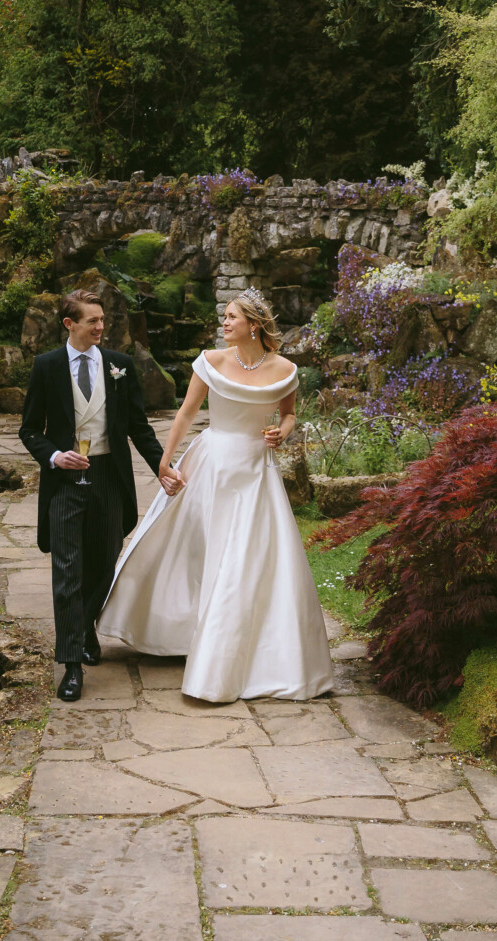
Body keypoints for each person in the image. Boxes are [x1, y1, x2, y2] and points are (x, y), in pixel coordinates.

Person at [98, 289, 334, 702]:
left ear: (253, 325)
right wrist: (165, 463)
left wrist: (284, 431)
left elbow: (290, 413)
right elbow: (187, 412)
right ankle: (181, 629)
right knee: (194, 551)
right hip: (211, 465)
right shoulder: (210, 361)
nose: (223, 324)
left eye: (230, 318)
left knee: (246, 559)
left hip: (255, 472)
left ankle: (241, 658)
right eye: (223, 317)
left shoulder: (285, 369)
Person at [17, 289, 170, 702]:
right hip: (66, 482)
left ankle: (85, 628)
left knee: (103, 566)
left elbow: (138, 427)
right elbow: (29, 429)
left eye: (102, 320)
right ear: (70, 324)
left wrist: (163, 467)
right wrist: (53, 456)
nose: (101, 327)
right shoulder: (46, 367)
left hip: (107, 477)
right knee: (67, 570)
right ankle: (70, 664)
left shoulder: (119, 366)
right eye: (93, 321)